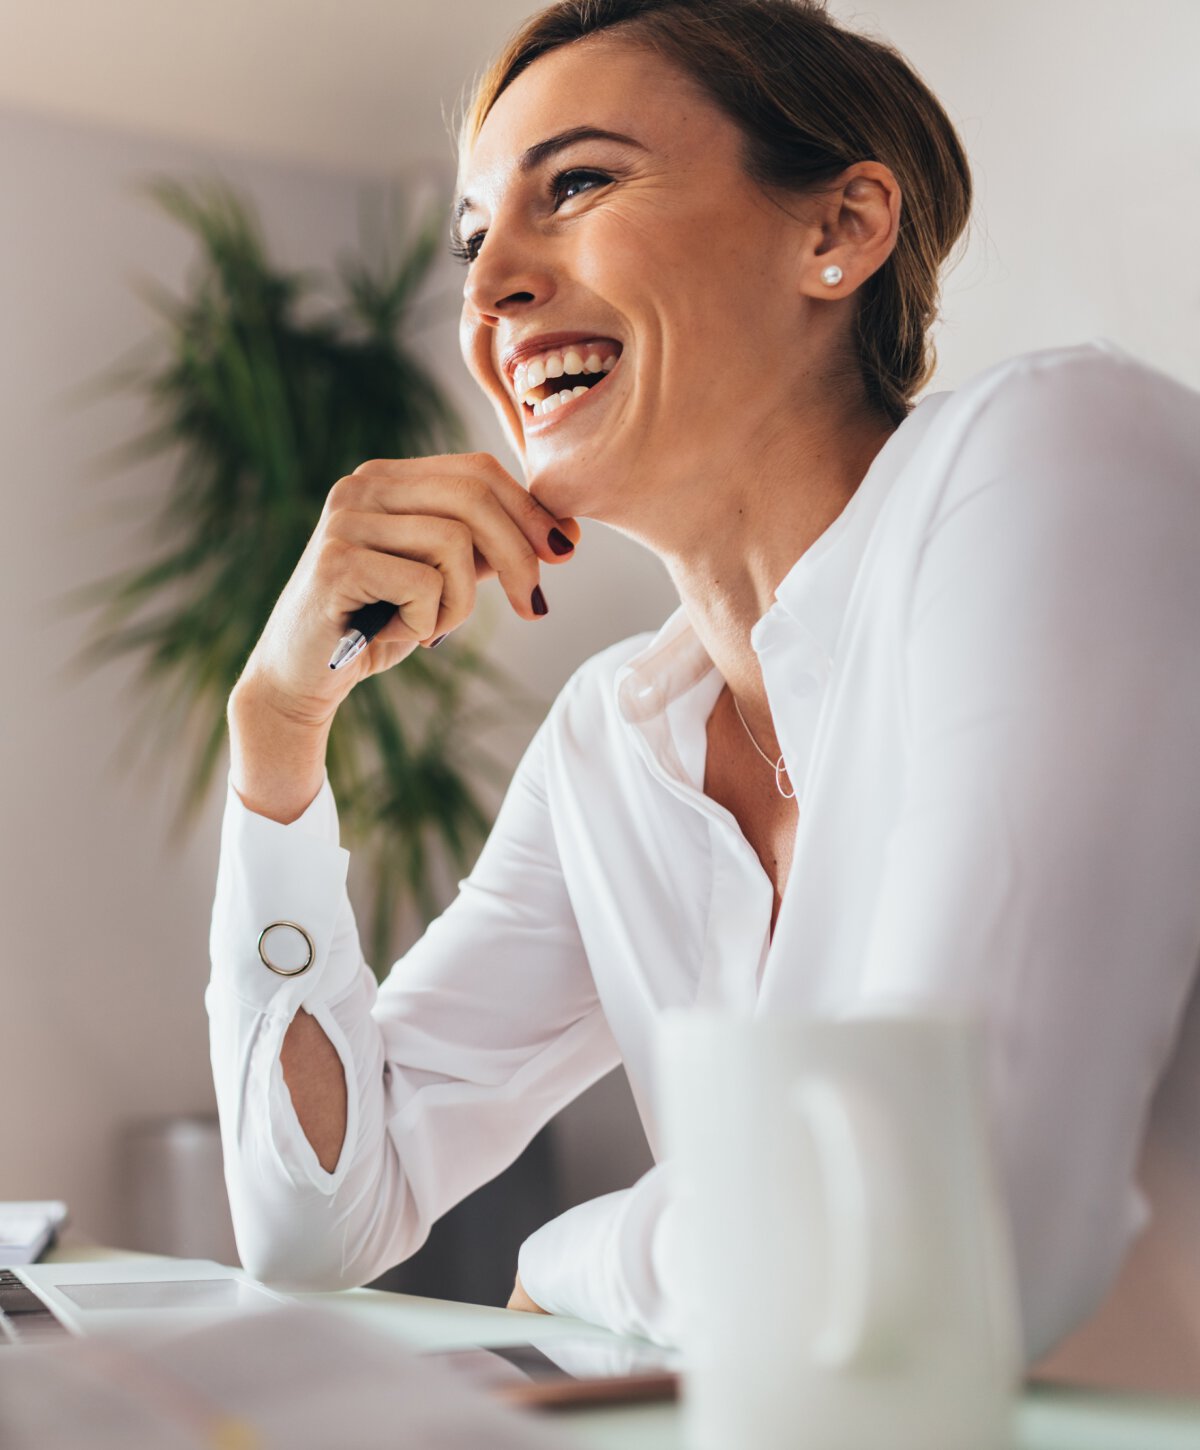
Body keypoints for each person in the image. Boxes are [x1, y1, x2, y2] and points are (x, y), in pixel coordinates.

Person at [207, 0, 1200, 1362]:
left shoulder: (1059, 453)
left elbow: (962, 1225)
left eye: (579, 183)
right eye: (473, 236)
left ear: (840, 230)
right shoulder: (614, 746)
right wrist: (276, 731)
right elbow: (316, 1221)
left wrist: (569, 1257)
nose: (491, 282)